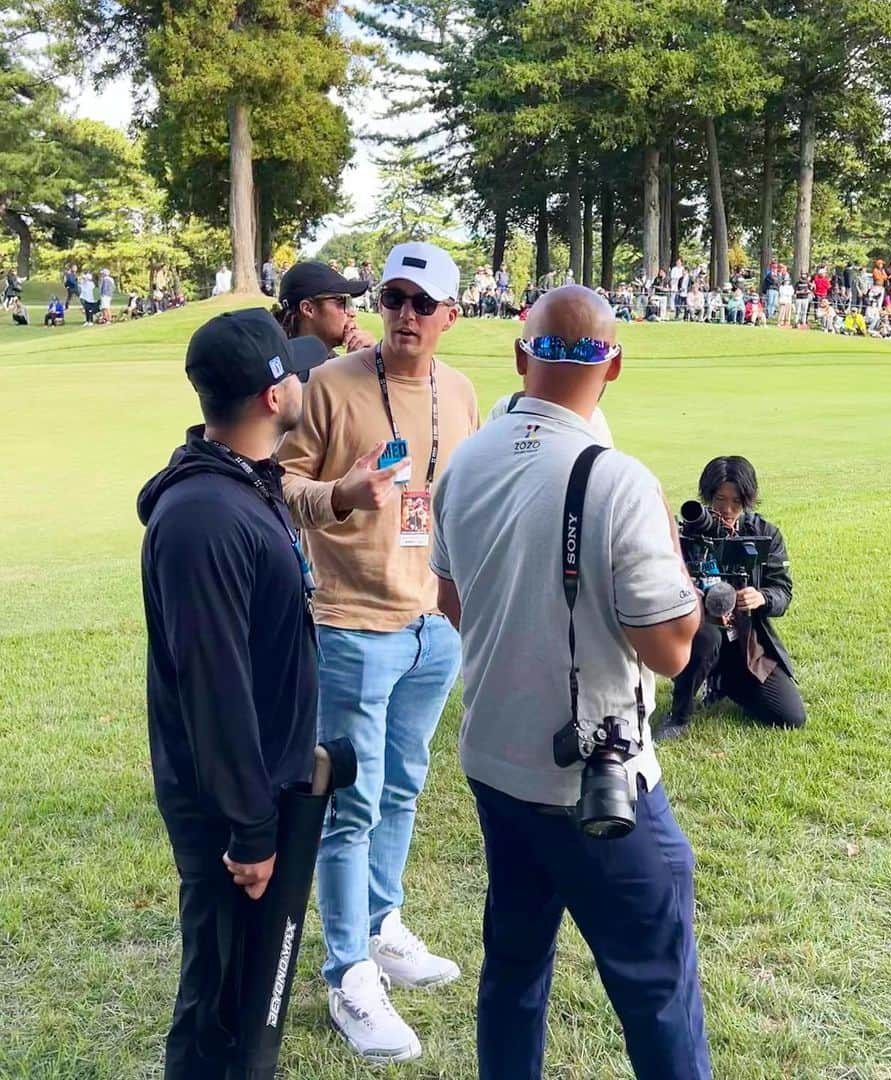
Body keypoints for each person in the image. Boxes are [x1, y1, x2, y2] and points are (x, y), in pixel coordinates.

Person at [430, 285, 709, 1080]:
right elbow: (672, 650)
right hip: (592, 781)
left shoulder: (465, 464)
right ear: (613, 367)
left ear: (521, 358)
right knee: (657, 984)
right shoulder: (620, 480)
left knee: (514, 969)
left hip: (494, 761)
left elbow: (455, 601)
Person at [277, 241, 478, 1064]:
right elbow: (282, 486)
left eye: (420, 303)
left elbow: (460, 498)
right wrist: (345, 493)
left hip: (432, 624)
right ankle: (348, 974)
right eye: (392, 298)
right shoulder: (330, 386)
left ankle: (380, 923)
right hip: (353, 622)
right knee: (352, 807)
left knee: (403, 788)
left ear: (448, 317)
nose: (402, 314)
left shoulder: (462, 391)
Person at [138, 308, 329, 1079]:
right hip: (232, 807)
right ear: (274, 395)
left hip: (264, 788)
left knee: (255, 994)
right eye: (297, 370)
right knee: (219, 1001)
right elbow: (214, 686)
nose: (310, 378)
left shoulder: (245, 485)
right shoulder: (206, 517)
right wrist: (249, 828)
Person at [657, 456, 805, 739]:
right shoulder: (685, 534)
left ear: (748, 501)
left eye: (736, 502)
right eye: (719, 499)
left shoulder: (765, 534)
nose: (727, 510)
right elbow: (663, 585)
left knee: (790, 716)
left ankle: (725, 681)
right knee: (707, 637)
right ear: (707, 497)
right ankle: (679, 716)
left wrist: (760, 598)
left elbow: (782, 591)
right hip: (697, 632)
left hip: (744, 639)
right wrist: (695, 595)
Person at [275, 260, 375, 354]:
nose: (353, 313)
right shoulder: (279, 368)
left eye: (350, 303)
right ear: (308, 309)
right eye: (342, 302)